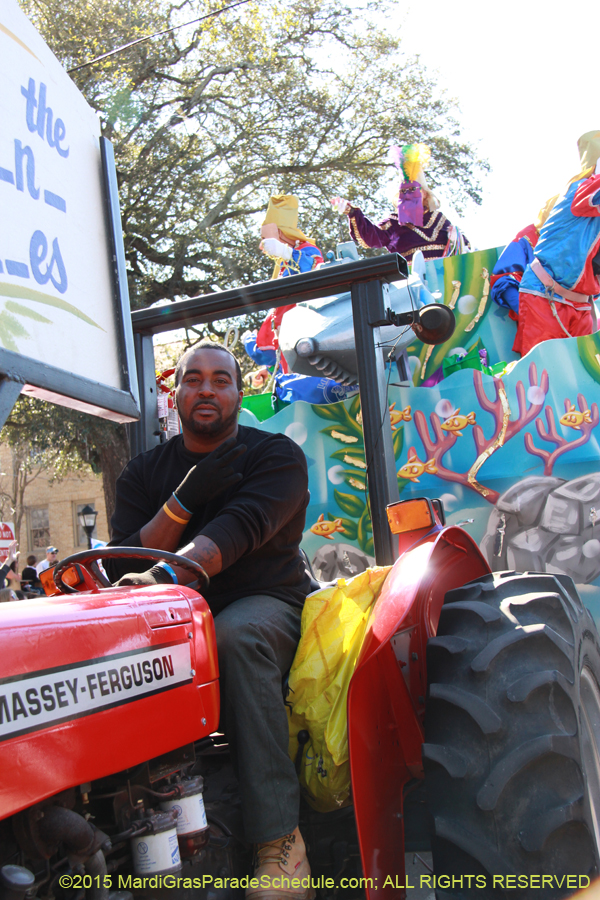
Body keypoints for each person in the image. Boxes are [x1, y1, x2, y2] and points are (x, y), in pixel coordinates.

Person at [106, 340, 313, 900]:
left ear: (239, 394)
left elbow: (238, 530)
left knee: (235, 636)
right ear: (175, 395)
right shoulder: (145, 472)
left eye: (221, 380)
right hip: (176, 610)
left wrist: (163, 575)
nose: (206, 389)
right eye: (193, 379)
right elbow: (121, 563)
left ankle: (282, 845)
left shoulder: (276, 457)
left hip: (267, 603)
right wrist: (180, 501)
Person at [515, 131, 600, 356]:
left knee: (583, 380)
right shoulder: (580, 189)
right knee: (541, 375)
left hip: (581, 305)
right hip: (545, 296)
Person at [331, 142, 471, 264]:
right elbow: (371, 237)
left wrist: (456, 239)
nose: (408, 194)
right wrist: (352, 212)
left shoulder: (439, 220)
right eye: (403, 191)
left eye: (412, 189)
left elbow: (464, 248)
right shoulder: (394, 223)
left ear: (425, 194)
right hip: (410, 288)